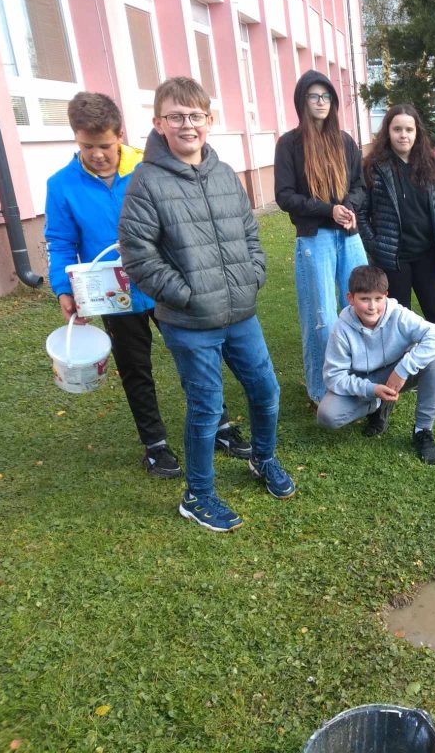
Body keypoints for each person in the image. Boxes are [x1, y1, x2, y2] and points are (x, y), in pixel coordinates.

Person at [119, 77, 295, 533]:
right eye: (176, 116)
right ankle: (197, 495)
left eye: (195, 116)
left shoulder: (223, 173)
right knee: (205, 406)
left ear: (209, 121)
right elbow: (138, 255)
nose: (187, 125)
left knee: (266, 391)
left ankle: (264, 459)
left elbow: (250, 234)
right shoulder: (146, 181)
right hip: (189, 321)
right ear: (158, 123)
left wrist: (252, 276)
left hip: (240, 312)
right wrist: (187, 294)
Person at [45, 91, 250, 480]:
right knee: (134, 366)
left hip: (164, 282)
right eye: (88, 146)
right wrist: (63, 288)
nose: (98, 154)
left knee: (196, 355)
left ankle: (220, 426)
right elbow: (61, 242)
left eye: (105, 145)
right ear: (76, 140)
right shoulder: (62, 185)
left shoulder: (149, 167)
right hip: (113, 293)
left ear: (120, 134)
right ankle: (155, 444)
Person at [274, 70, 368, 407]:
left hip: (349, 236)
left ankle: (358, 379)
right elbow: (284, 196)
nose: (320, 102)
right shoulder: (289, 144)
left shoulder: (344, 141)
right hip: (315, 239)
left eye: (326, 96)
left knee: (360, 309)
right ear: (302, 101)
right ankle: (320, 390)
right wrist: (329, 210)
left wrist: (349, 207)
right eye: (314, 96)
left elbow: (359, 185)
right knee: (322, 317)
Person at [359, 104, 435, 387]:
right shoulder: (375, 168)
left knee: (434, 312)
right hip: (394, 258)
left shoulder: (428, 164)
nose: (403, 135)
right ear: (388, 132)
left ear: (417, 132)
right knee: (399, 316)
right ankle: (402, 371)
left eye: (409, 129)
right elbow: (361, 212)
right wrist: (374, 242)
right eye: (397, 129)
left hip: (426, 255)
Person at [316, 265, 435, 465]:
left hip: (396, 373)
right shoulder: (341, 329)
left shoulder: (398, 314)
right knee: (327, 415)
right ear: (350, 299)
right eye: (364, 299)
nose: (372, 306)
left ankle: (423, 430)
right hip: (364, 380)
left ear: (386, 296)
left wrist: (403, 369)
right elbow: (334, 376)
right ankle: (378, 404)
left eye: (378, 299)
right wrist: (372, 390)